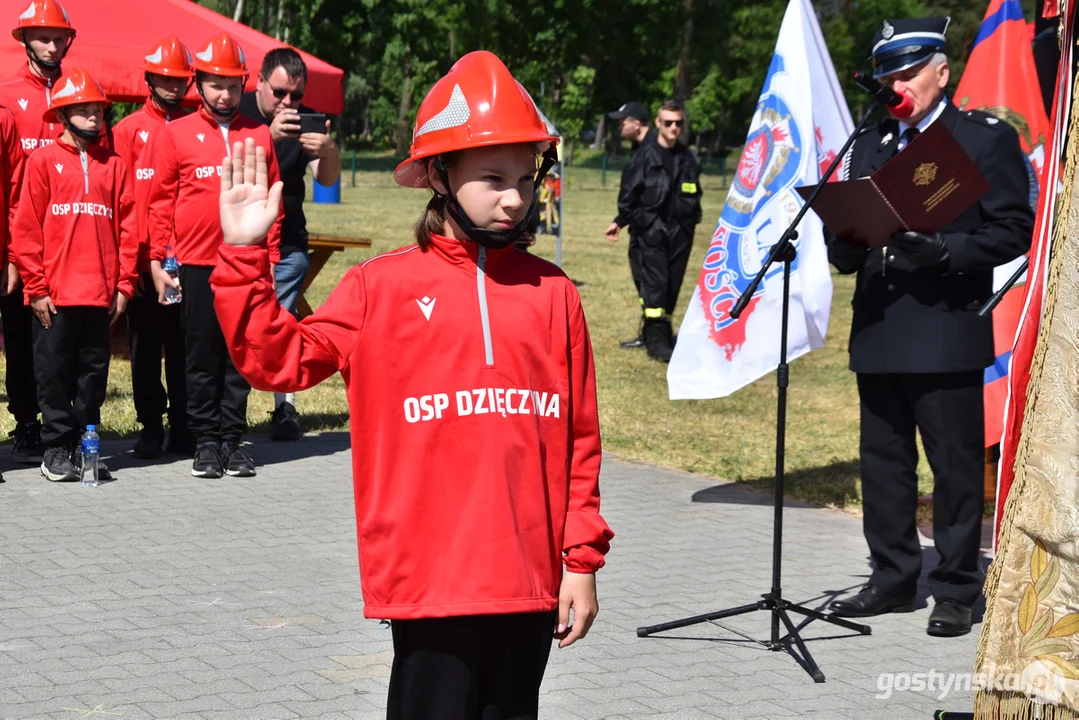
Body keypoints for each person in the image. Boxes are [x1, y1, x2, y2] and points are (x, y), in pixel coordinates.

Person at [210, 51, 613, 720]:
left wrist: (580, 563)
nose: (514, 196)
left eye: (524, 176)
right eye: (491, 176)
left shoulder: (555, 295)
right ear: (436, 173)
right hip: (432, 585)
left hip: (532, 583)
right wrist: (244, 253)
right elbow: (276, 362)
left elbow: (579, 444)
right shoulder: (379, 288)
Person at [825, 17, 1034, 637]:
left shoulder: (981, 138)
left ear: (942, 72)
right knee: (884, 463)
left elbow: (1012, 229)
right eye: (888, 71)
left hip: (944, 326)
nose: (898, 81)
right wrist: (840, 234)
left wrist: (945, 250)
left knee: (955, 466)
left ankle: (955, 587)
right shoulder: (870, 141)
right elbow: (852, 238)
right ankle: (891, 577)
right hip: (881, 324)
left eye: (910, 69)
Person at [147, 32, 281, 479]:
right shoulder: (176, 133)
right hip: (197, 265)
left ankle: (234, 437)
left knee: (240, 354)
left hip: (246, 266)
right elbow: (160, 203)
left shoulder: (259, 133)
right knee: (200, 355)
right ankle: (205, 440)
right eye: (214, 83)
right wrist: (160, 261)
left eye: (232, 84)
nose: (224, 93)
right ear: (198, 83)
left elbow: (274, 200)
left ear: (243, 85)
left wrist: (274, 259)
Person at [11, 66, 137, 482]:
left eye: (98, 110)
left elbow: (129, 228)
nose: (95, 117)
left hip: (99, 294)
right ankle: (56, 448)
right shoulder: (43, 161)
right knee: (52, 374)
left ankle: (86, 444)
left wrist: (123, 285)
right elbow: (26, 228)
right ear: (63, 115)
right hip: (55, 295)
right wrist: (36, 287)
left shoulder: (115, 166)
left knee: (92, 376)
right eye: (83, 110)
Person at [238, 47, 339, 441]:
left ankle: (285, 408)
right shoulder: (241, 112)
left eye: (296, 96)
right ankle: (233, 411)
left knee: (281, 325)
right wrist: (267, 137)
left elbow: (327, 179)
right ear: (260, 82)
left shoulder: (305, 120)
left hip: (290, 242)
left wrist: (328, 150)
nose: (288, 103)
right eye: (279, 92)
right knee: (240, 326)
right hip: (244, 242)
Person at [0, 0, 77, 466]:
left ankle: (62, 426)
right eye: (42, 37)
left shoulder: (82, 93)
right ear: (25, 39)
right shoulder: (7, 97)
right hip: (22, 242)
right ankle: (26, 423)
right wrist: (11, 255)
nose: (51, 45)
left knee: (63, 340)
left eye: (58, 37)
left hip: (70, 241)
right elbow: (9, 185)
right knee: (20, 335)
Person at [112, 35, 195, 459]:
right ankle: (149, 426)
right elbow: (120, 202)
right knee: (144, 349)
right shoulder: (126, 132)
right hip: (144, 262)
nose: (173, 86)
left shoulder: (194, 128)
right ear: (149, 78)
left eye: (180, 79)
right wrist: (134, 264)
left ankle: (183, 426)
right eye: (165, 78)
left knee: (183, 346)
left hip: (187, 259)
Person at [605, 100, 702, 363]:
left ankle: (661, 332)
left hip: (681, 234)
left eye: (678, 123)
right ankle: (656, 340)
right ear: (658, 123)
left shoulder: (688, 158)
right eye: (668, 122)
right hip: (652, 233)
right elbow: (629, 195)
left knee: (672, 287)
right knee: (655, 287)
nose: (673, 127)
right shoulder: (644, 157)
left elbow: (696, 196)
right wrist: (622, 220)